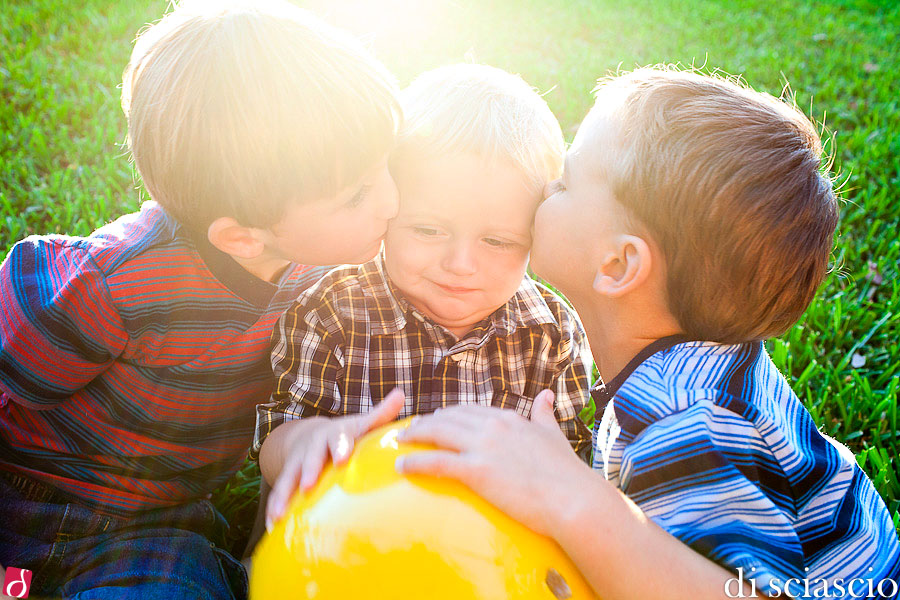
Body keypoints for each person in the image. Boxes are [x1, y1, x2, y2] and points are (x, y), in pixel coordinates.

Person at [395, 68, 900, 598]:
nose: (546, 188)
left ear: (616, 265)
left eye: (566, 183)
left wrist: (573, 497)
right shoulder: (712, 363)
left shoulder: (680, 419)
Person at [0, 1, 401, 598]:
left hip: (154, 527)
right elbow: (19, 364)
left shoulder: (326, 277)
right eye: (357, 195)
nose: (392, 202)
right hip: (28, 500)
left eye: (386, 168)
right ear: (241, 236)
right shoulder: (114, 284)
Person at [253, 63, 593, 527]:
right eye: (428, 230)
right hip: (350, 533)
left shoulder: (551, 334)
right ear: (388, 209)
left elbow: (572, 465)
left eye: (497, 242)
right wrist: (304, 442)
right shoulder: (332, 313)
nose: (460, 264)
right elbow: (277, 433)